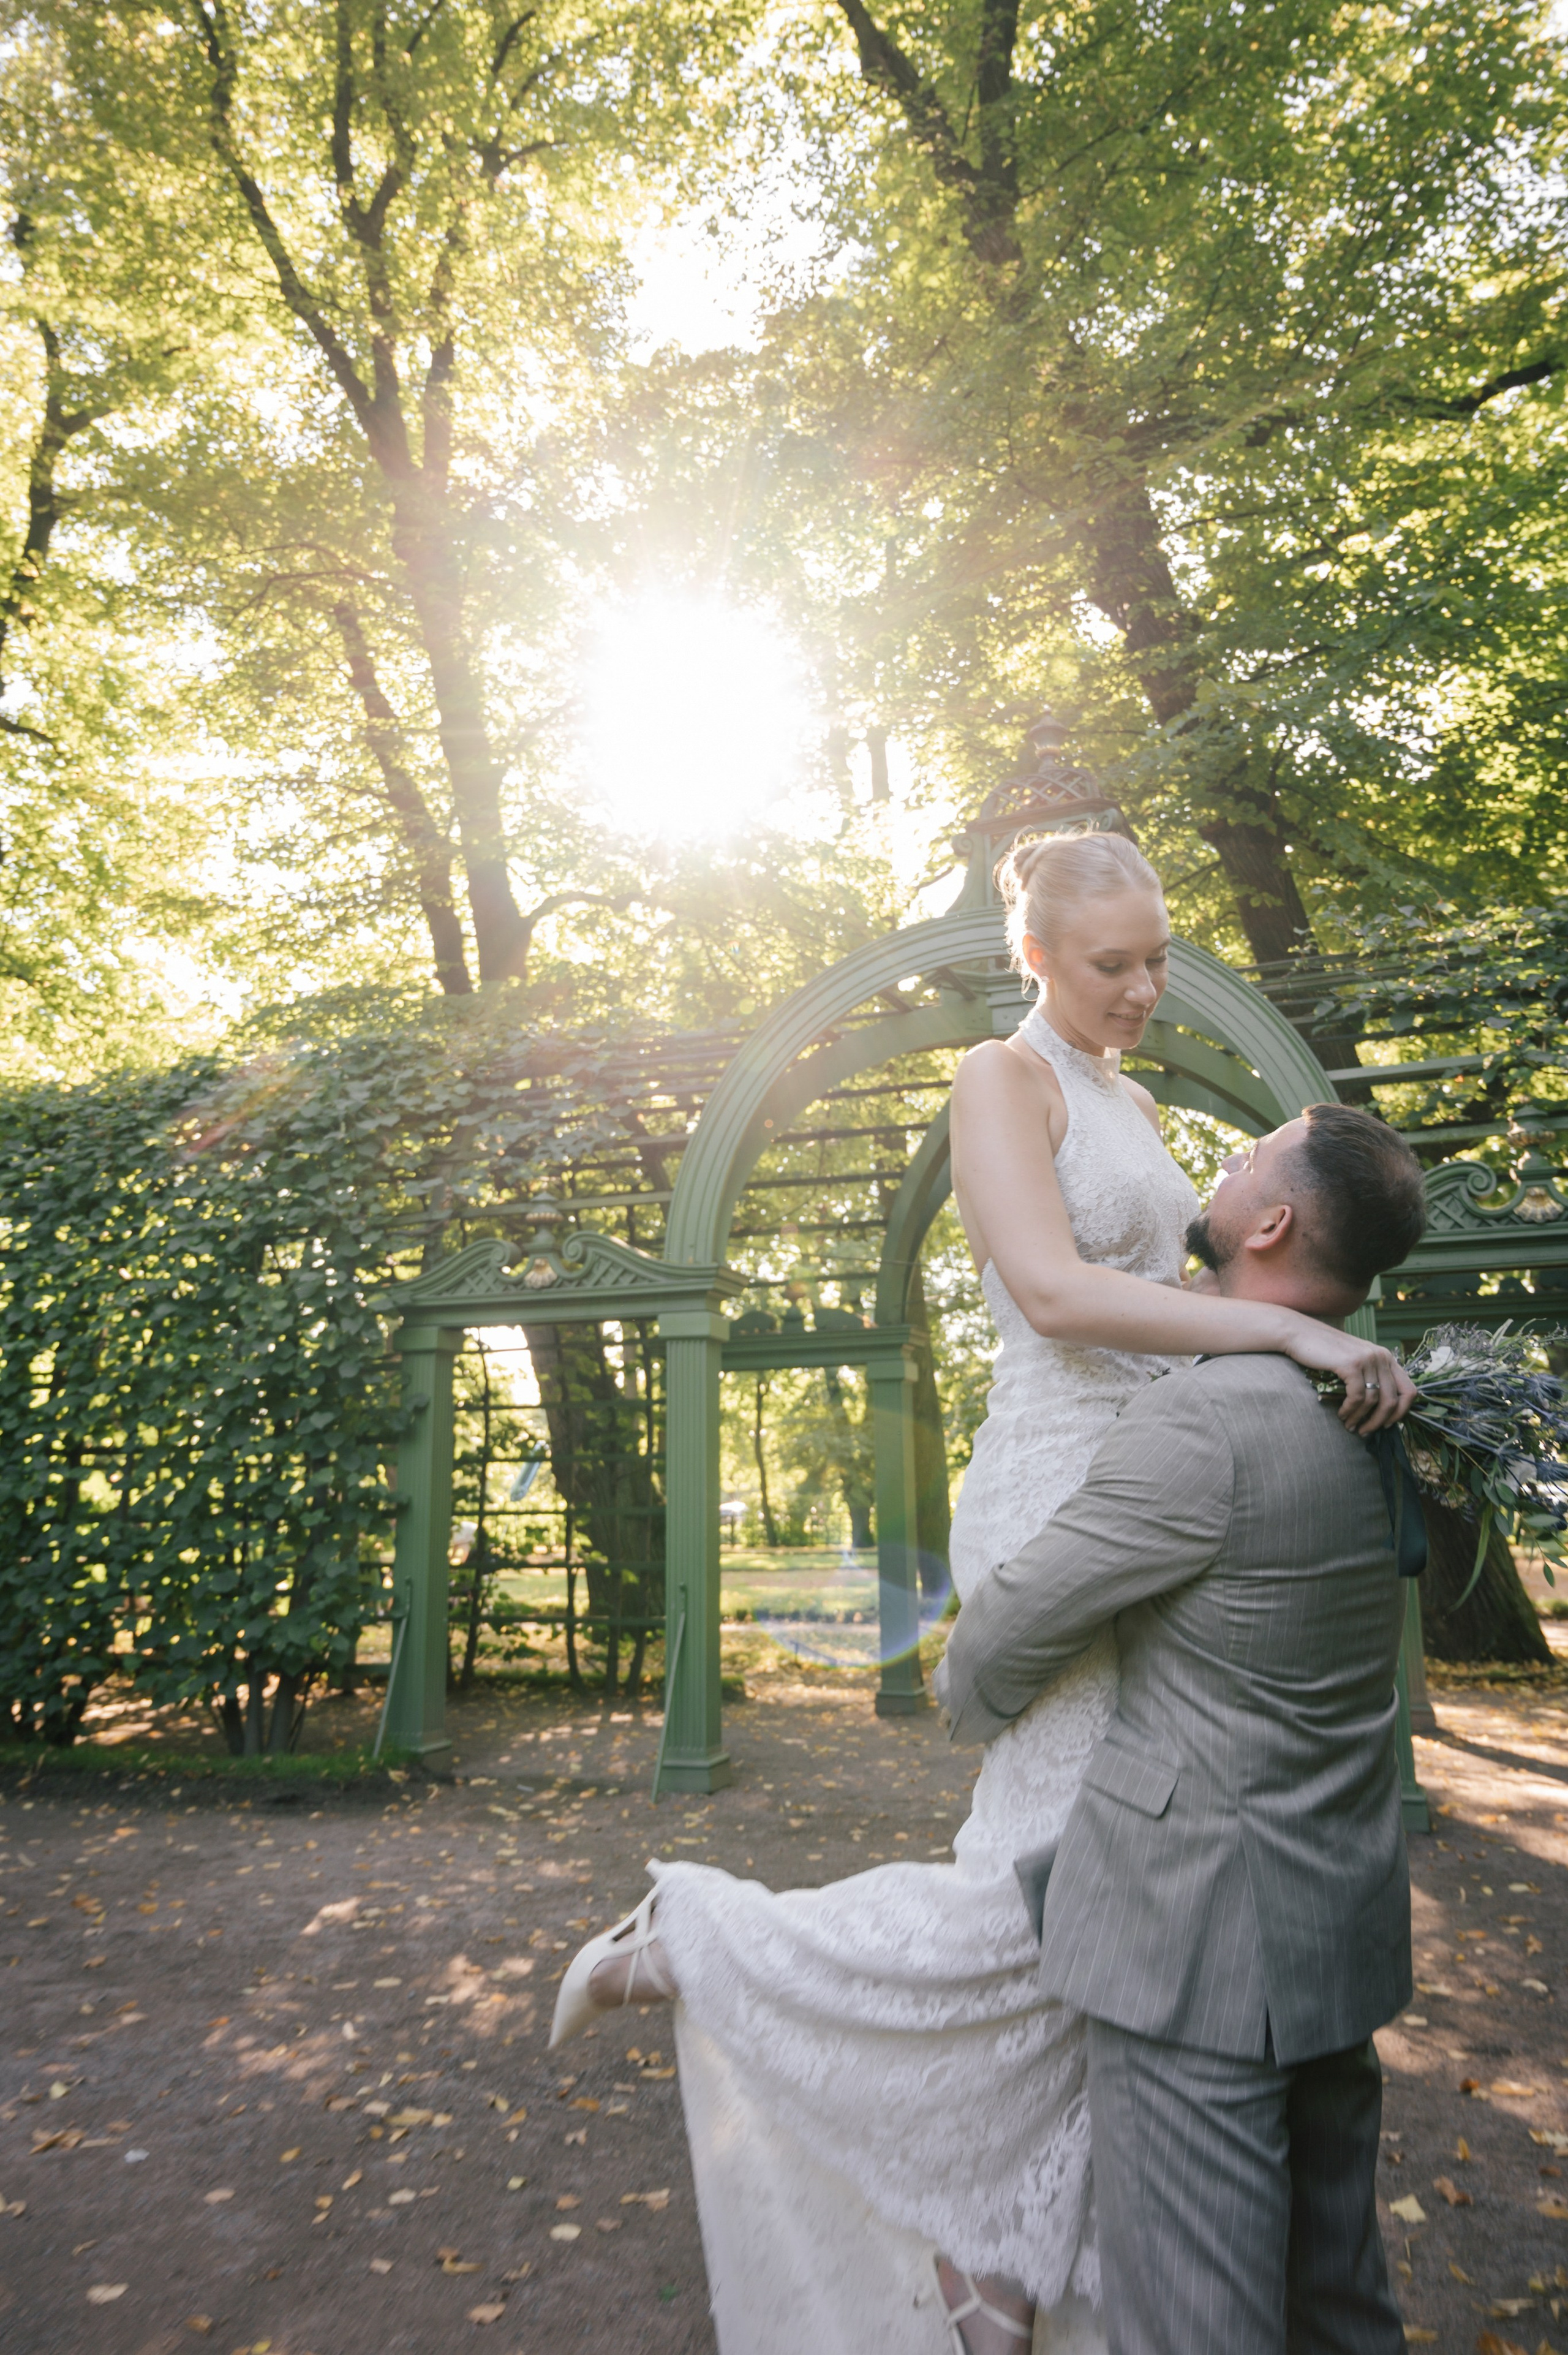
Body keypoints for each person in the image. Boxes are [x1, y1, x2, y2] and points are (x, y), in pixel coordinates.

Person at [551, 830, 1415, 2355]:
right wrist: (1284, 1344)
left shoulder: (1138, 1102)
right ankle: (711, 1943)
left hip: (1171, 1474)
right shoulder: (994, 1080)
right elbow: (1053, 1290)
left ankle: (1006, 2249)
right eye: (1110, 963)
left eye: (1156, 955)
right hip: (1068, 1484)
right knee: (1065, 1889)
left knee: (1134, 1907)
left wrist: (1265, 1368)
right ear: (1032, 957)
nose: (1144, 986)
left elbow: (1205, 1282)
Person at [936, 1101, 1428, 2355]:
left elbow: (1008, 1634)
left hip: (1200, 1951)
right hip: (1336, 1922)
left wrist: (967, 1701)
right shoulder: (1371, 1414)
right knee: (1336, 2302)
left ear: (1268, 1222)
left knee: (1195, 2319)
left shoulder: (1201, 1421)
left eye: (1246, 1154)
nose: (1218, 1162)